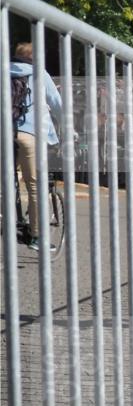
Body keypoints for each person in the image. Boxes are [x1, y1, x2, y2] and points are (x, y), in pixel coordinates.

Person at [9, 42, 63, 252]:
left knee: (6, 181)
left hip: (5, 133)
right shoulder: (40, 74)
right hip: (30, 133)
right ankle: (36, 236)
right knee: (34, 185)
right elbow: (57, 103)